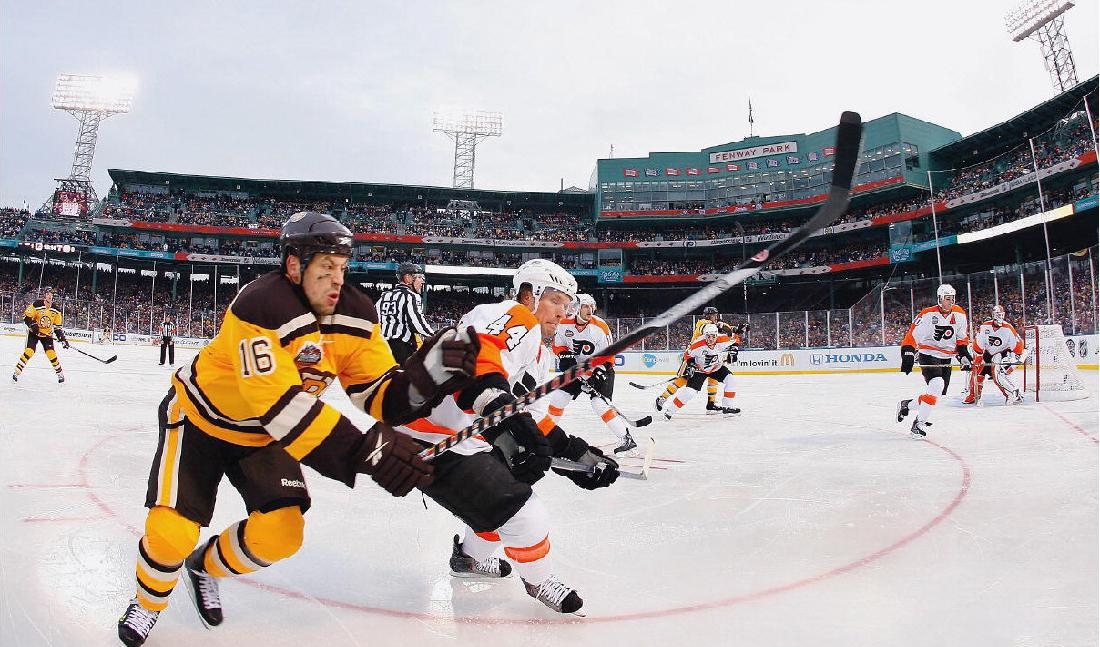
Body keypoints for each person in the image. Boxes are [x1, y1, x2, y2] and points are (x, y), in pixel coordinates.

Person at [116, 212, 481, 647]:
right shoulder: (259, 306)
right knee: (170, 534)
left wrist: (427, 379)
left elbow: (377, 393)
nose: (336, 280)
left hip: (263, 436)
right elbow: (276, 404)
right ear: (293, 265)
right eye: (325, 268)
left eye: (342, 268)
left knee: (281, 535)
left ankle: (204, 566)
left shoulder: (356, 315)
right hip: (200, 421)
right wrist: (364, 450)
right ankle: (148, 601)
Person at [396, 258, 619, 616]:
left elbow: (531, 418)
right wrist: (500, 410)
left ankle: (468, 558)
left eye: (567, 306)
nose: (562, 313)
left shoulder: (539, 352)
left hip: (454, 438)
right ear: (529, 294)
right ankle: (539, 579)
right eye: (555, 301)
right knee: (525, 515)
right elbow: (481, 361)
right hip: (429, 436)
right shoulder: (515, 315)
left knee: (505, 490)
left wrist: (580, 456)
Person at [548, 294, 636, 453]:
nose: (590, 310)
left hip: (601, 368)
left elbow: (610, 353)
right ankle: (545, 434)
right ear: (576, 309)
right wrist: (564, 356)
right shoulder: (563, 324)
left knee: (599, 403)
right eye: (585, 306)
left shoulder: (600, 327)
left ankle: (626, 438)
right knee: (558, 398)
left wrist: (600, 371)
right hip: (577, 369)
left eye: (591, 306)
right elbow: (558, 345)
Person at [896, 283, 972, 438]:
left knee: (936, 393)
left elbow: (961, 338)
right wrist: (908, 354)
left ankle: (906, 405)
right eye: (947, 298)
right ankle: (918, 424)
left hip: (946, 358)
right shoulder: (927, 314)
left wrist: (963, 354)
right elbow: (912, 335)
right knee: (937, 385)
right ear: (939, 299)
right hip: (928, 354)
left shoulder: (959, 314)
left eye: (952, 298)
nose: (950, 301)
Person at [656, 306, 741, 414]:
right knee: (684, 379)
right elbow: (710, 328)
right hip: (693, 355)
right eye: (712, 315)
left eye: (716, 315)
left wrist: (737, 329)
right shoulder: (702, 323)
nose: (715, 317)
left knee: (713, 375)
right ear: (707, 316)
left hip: (708, 356)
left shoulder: (716, 325)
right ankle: (663, 397)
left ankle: (711, 404)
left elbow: (728, 332)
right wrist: (728, 327)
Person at [963, 305, 1027, 405]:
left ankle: (1013, 394)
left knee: (998, 375)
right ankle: (973, 395)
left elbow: (1018, 347)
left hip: (1002, 354)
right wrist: (978, 359)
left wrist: (1014, 361)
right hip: (987, 353)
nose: (999, 317)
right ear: (993, 315)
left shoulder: (1008, 328)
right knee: (977, 373)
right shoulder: (985, 326)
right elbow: (978, 345)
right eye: (997, 315)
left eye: (1001, 315)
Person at [377, 262, 434, 364]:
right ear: (408, 278)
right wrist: (434, 335)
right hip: (402, 348)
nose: (422, 281)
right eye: (420, 277)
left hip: (381, 348)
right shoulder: (411, 296)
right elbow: (416, 322)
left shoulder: (384, 296)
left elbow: (374, 319)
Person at [12, 286, 68, 383]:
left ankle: (60, 374)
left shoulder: (56, 310)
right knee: (29, 351)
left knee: (51, 353)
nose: (50, 296)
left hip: (47, 335)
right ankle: (17, 372)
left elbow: (57, 328)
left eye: (52, 294)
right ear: (44, 295)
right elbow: (26, 316)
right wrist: (34, 326)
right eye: (48, 294)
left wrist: (62, 339)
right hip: (34, 333)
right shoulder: (37, 304)